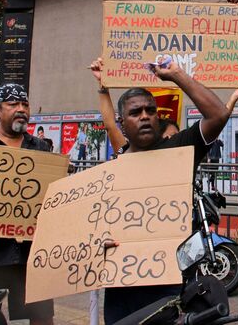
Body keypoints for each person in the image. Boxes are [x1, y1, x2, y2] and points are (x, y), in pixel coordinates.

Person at [89, 57, 229, 323]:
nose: (144, 116)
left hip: (167, 283)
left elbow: (219, 115)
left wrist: (177, 74)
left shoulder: (180, 149)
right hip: (121, 283)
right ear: (122, 122)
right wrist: (103, 88)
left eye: (150, 110)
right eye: (135, 112)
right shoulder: (118, 161)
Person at [0, 84, 53, 325]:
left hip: (28, 255)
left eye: (25, 104)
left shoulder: (41, 147)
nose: (21, 109)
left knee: (38, 317)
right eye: (13, 104)